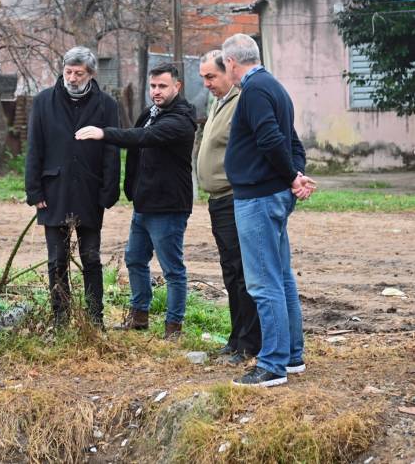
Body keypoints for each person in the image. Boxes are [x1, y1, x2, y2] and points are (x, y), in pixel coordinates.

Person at [221, 33, 316, 387]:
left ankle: (273, 365)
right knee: (281, 275)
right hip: (270, 193)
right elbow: (291, 139)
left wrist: (292, 176)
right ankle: (291, 356)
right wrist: (296, 174)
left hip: (259, 198)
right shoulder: (273, 86)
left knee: (263, 282)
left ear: (231, 62)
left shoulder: (255, 90)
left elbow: (273, 139)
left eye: (224, 65)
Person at [76, 63, 196, 337]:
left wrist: (104, 133)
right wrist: (132, 190)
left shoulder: (180, 120)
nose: (156, 91)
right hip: (145, 203)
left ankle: (173, 327)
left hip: (168, 205)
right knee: (135, 259)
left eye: (162, 86)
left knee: (172, 269)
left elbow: (142, 137)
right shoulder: (151, 113)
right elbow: (137, 149)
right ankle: (139, 316)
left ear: (177, 87)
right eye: (153, 86)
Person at [25, 46, 121, 328]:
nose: (72, 77)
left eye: (79, 73)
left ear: (90, 74)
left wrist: (108, 192)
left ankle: (95, 320)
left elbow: (111, 152)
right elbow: (35, 148)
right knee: (57, 260)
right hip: (54, 191)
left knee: (91, 258)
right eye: (68, 71)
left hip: (89, 192)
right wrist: (34, 191)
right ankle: (60, 320)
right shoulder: (44, 102)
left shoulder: (107, 105)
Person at [196, 50, 261, 363]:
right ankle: (236, 338)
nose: (207, 83)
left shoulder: (241, 101)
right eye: (203, 78)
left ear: (229, 72)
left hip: (235, 198)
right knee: (229, 272)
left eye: (212, 76)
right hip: (217, 200)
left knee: (241, 272)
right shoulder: (217, 101)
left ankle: (249, 343)